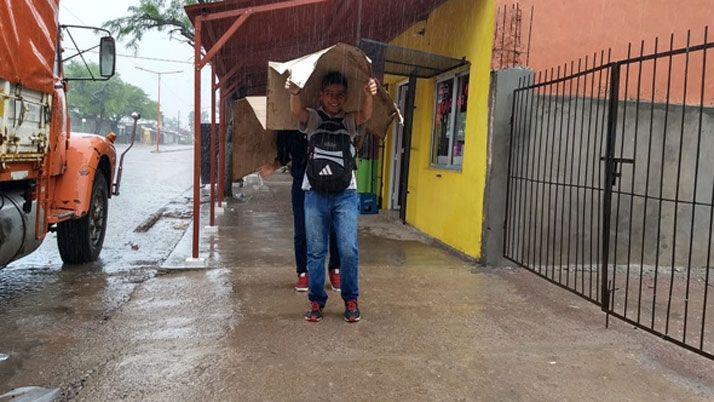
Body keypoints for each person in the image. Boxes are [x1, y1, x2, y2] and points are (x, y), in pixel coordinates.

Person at [286, 71, 378, 323]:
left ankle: (351, 299)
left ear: (345, 97)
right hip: (314, 193)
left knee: (348, 249)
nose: (334, 99)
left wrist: (369, 95)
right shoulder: (314, 119)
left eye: (339, 95)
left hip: (345, 194)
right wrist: (294, 93)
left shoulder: (349, 122)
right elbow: (297, 112)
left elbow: (366, 115)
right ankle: (316, 301)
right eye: (329, 94)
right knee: (316, 251)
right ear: (320, 95)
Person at [258, 131, 341, 292]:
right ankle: (304, 272)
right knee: (302, 229)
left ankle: (335, 269)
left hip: (331, 179)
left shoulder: (330, 118)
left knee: (335, 227)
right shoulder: (293, 127)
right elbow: (285, 153)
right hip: (302, 180)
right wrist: (273, 166)